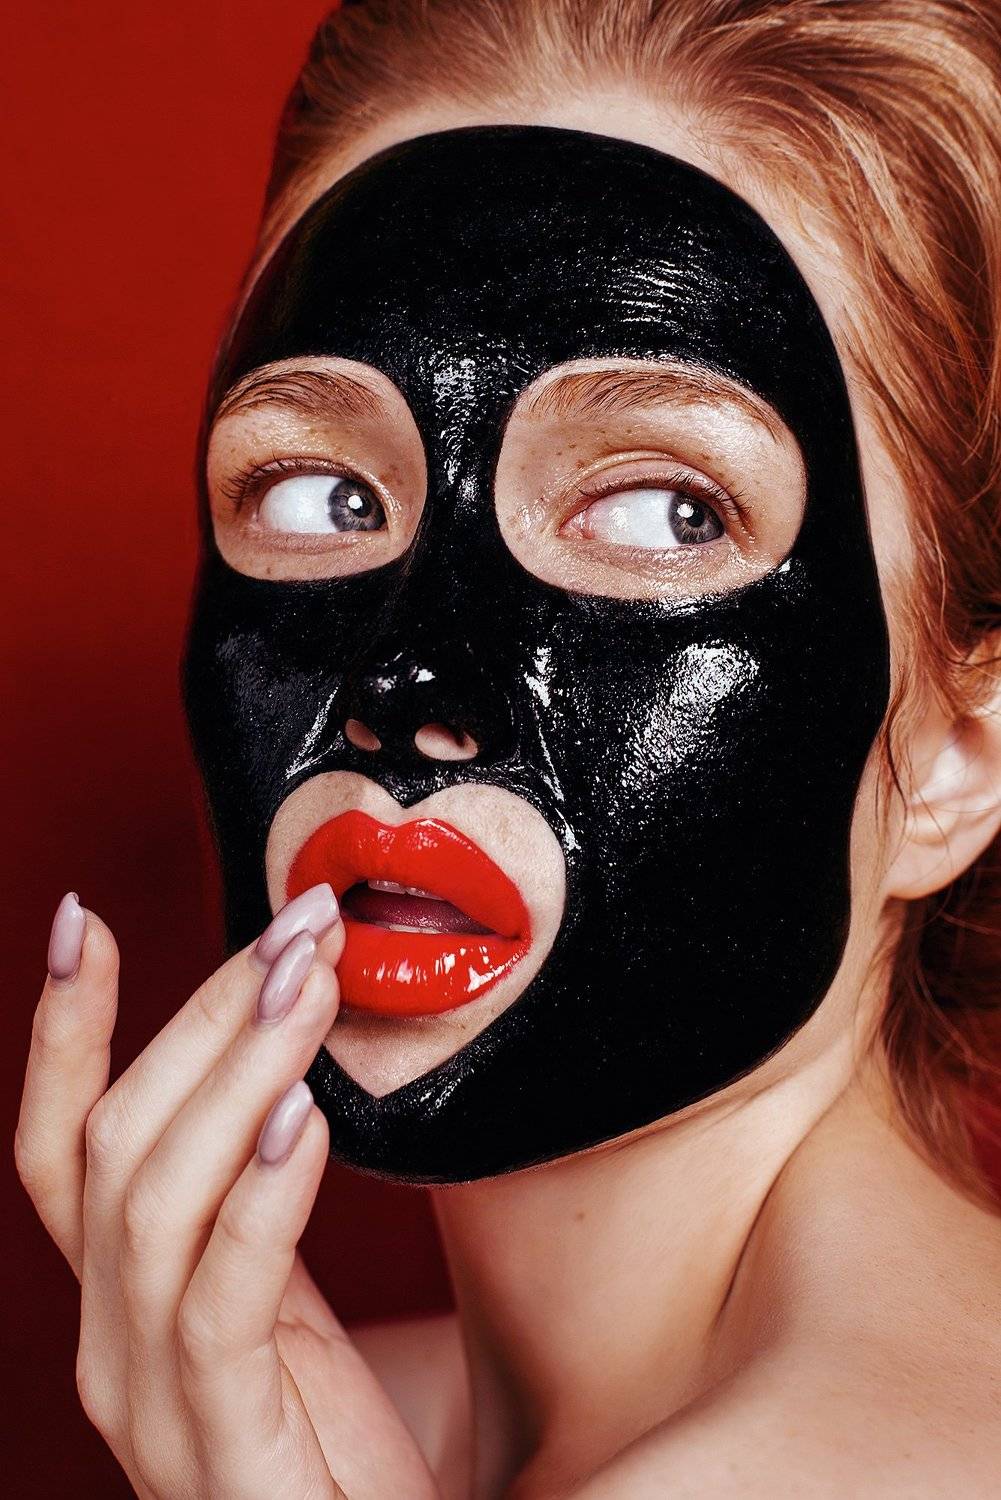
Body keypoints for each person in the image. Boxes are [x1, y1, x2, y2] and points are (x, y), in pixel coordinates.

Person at [15, 1, 1001, 1495]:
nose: (409, 683)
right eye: (321, 494)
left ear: (958, 752)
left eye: (666, 511)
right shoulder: (301, 1434)